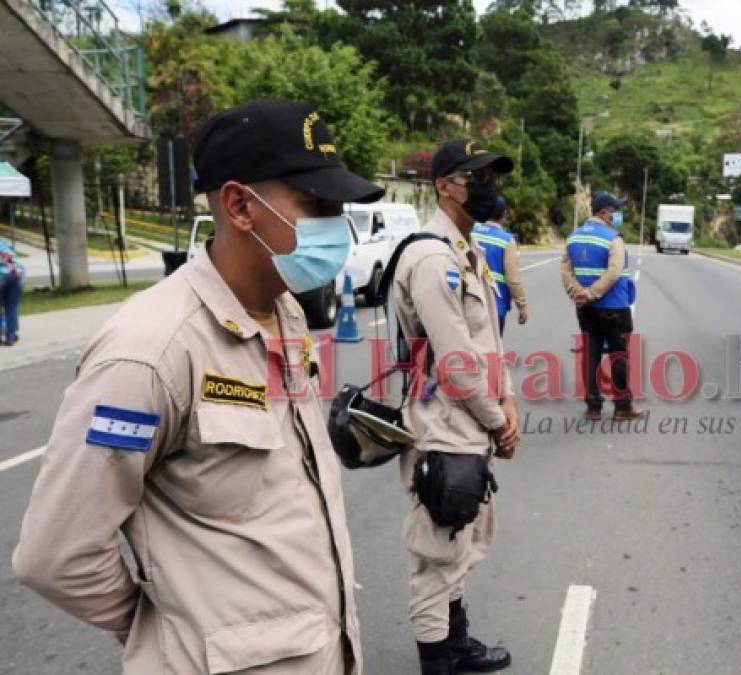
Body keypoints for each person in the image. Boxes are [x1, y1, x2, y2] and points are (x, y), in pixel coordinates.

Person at [12, 99, 384, 674]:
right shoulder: (150, 351)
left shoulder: (283, 313)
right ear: (239, 205)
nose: (336, 224)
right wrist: (165, 629)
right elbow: (55, 554)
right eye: (316, 204)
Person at [390, 139, 520, 674]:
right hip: (443, 426)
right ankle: (436, 661)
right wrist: (498, 420)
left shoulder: (468, 254)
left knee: (463, 538)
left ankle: (457, 641)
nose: (490, 187)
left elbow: (487, 338)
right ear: (444, 185)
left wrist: (507, 399)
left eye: (493, 176)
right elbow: (457, 362)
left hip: (471, 425)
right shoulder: (430, 259)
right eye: (477, 177)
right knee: (437, 553)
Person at [561, 190, 647, 421]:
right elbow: (614, 272)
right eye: (616, 210)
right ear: (605, 213)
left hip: (585, 308)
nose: (618, 215)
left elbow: (565, 270)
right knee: (619, 355)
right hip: (614, 307)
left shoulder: (574, 237)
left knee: (591, 355)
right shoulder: (613, 238)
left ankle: (593, 407)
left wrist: (577, 293)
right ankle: (622, 407)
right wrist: (591, 293)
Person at [472, 197, 528, 335]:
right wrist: (522, 306)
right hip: (495, 306)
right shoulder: (507, 240)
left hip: (470, 303)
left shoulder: (471, 232)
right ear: (504, 214)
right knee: (492, 352)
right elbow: (513, 279)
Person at [0, 240, 25, 346]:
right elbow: (12, 257)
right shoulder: (5, 243)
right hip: (16, 274)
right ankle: (10, 337)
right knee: (12, 308)